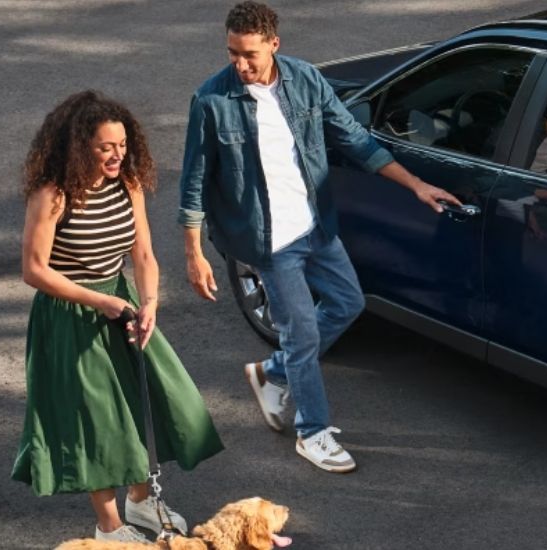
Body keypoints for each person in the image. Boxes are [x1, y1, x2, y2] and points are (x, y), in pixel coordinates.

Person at [178, 1, 458, 473]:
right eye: (232, 53)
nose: (240, 64)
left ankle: (273, 372)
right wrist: (193, 254)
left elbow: (355, 140)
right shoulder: (211, 101)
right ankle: (312, 432)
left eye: (249, 54)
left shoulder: (306, 80)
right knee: (303, 333)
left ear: (274, 44)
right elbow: (193, 181)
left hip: (315, 226)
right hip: (267, 241)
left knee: (349, 302)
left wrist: (416, 186)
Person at [14, 90, 224, 543]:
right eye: (105, 147)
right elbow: (33, 270)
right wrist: (100, 302)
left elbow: (144, 253)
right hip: (70, 316)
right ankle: (109, 528)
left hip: (122, 302)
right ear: (78, 147)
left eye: (122, 145)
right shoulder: (52, 195)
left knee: (160, 401)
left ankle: (142, 500)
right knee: (99, 423)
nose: (116, 155)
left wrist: (149, 303)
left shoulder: (127, 185)